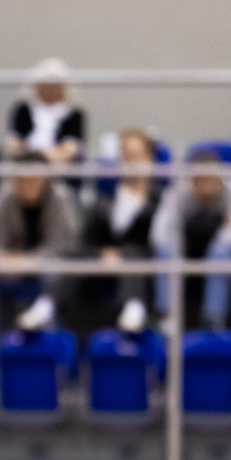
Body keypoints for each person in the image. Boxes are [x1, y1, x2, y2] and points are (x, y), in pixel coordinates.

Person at [144, 150, 231, 334]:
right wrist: (176, 250)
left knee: (220, 252)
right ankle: (166, 315)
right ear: (192, 180)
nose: (205, 186)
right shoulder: (179, 191)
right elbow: (160, 233)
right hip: (188, 245)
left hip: (219, 250)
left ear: (220, 179)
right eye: (200, 181)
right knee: (166, 250)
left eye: (210, 180)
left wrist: (213, 251)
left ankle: (213, 318)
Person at [0, 150, 82, 337]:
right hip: (8, 266)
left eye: (34, 180)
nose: (27, 185)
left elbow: (65, 246)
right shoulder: (1, 196)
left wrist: (29, 260)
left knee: (56, 272)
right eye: (22, 180)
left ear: (46, 180)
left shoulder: (61, 198)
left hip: (45, 264)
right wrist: (4, 259)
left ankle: (51, 337)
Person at [84, 128, 163, 332]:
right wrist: (103, 253)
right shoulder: (104, 198)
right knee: (70, 254)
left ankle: (133, 307)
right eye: (126, 156)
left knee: (134, 253)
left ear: (149, 159)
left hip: (142, 268)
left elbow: (159, 243)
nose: (130, 162)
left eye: (136, 155)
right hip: (102, 265)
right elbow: (88, 239)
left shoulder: (161, 199)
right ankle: (48, 305)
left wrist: (123, 254)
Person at [6, 58, 86, 165]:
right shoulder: (23, 109)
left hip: (57, 163)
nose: (50, 89)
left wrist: (49, 155)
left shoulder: (73, 113)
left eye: (55, 85)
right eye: (46, 85)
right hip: (27, 160)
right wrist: (26, 152)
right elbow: (14, 141)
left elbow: (71, 147)